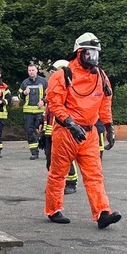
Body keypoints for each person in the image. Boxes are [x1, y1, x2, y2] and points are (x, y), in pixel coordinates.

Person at [44, 32, 119, 229]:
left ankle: (103, 213)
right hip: (66, 133)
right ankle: (53, 209)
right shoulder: (63, 75)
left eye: (96, 54)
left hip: (89, 134)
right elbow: (55, 103)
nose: (93, 58)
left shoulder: (101, 76)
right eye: (89, 54)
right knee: (58, 174)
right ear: (79, 53)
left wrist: (109, 126)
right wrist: (70, 124)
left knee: (95, 175)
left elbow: (105, 103)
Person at [40, 60, 79, 195]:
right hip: (50, 130)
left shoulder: (70, 90)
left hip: (63, 130)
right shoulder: (53, 88)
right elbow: (49, 109)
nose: (52, 75)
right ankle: (55, 184)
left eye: (54, 72)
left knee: (66, 158)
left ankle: (71, 182)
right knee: (51, 159)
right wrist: (43, 125)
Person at [18, 63, 48, 160]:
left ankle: (48, 151)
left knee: (45, 132)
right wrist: (23, 93)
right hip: (28, 113)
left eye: (33, 70)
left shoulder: (43, 81)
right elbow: (19, 97)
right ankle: (34, 152)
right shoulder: (25, 83)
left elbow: (50, 95)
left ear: (37, 70)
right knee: (30, 132)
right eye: (29, 70)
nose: (31, 72)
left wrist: (43, 101)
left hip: (40, 112)